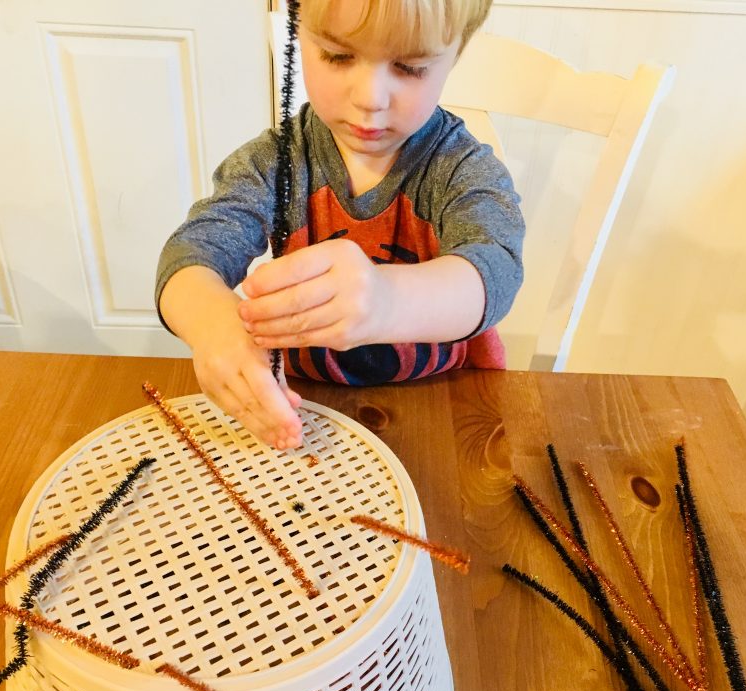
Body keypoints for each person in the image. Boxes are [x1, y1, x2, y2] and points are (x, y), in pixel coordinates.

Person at [156, 0, 524, 451]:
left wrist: (386, 301)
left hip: (443, 414)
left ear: (456, 54)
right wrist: (213, 325)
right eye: (338, 56)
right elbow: (191, 253)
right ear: (297, 32)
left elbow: (497, 270)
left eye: (410, 67)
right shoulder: (274, 163)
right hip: (306, 414)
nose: (370, 98)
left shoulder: (460, 169)